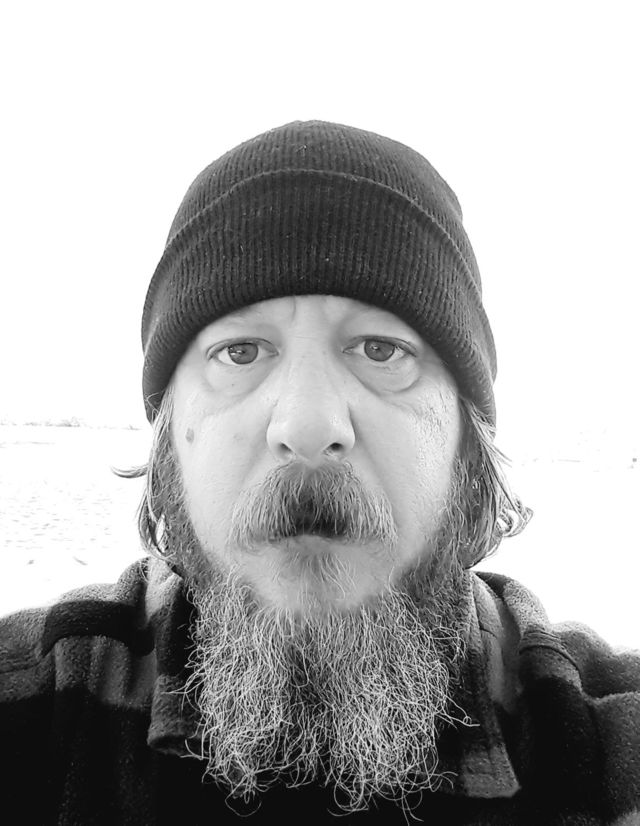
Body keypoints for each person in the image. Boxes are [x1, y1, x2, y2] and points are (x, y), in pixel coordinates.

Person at [1, 120, 638, 826]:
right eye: (240, 352)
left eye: (381, 350)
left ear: (467, 437)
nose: (307, 427)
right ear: (171, 436)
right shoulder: (34, 707)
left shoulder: (610, 739)